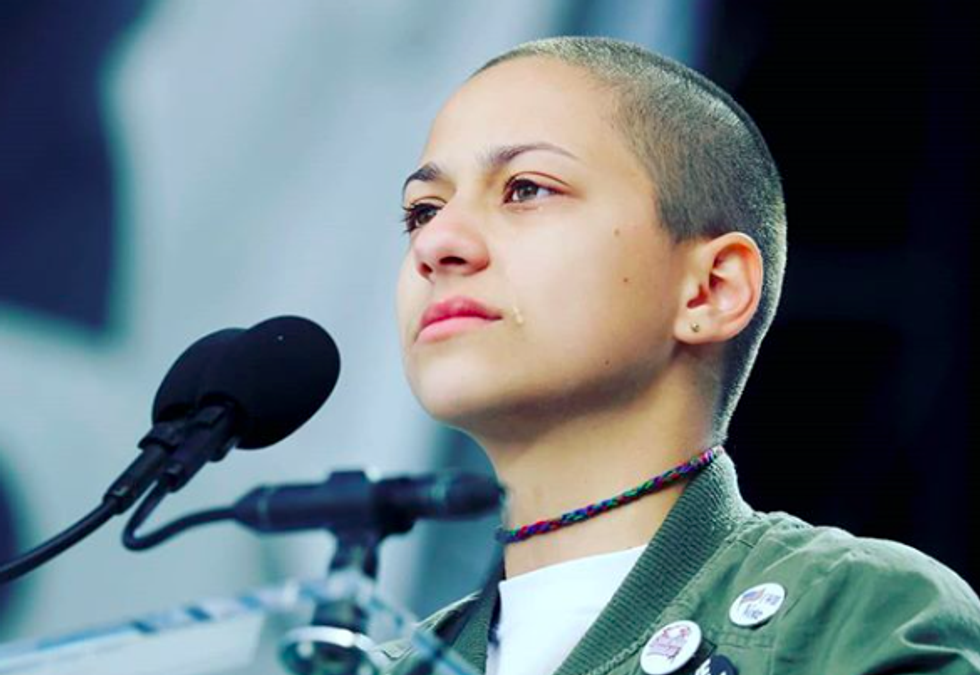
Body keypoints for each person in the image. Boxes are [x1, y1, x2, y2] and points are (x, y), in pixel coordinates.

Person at [386, 36, 980, 675]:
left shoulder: (851, 616)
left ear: (711, 290)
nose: (437, 243)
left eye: (527, 189)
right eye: (422, 212)